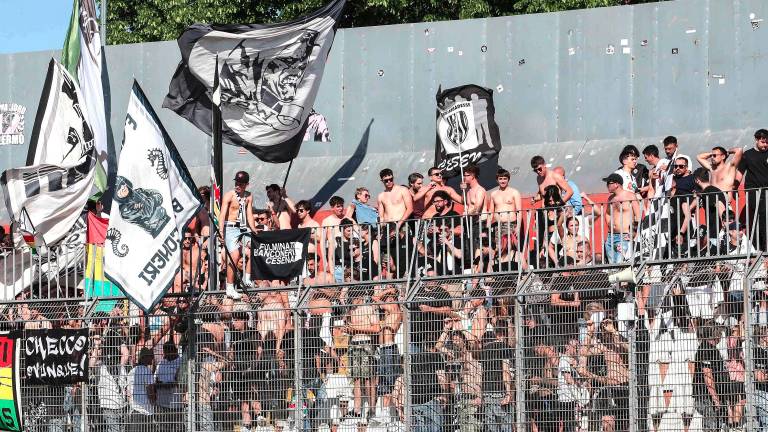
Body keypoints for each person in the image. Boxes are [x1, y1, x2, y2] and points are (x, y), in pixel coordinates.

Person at [219, 171, 257, 299]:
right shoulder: (229, 195)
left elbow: (249, 214)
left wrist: (254, 229)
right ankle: (229, 287)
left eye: (240, 183)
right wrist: (220, 230)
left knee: (254, 247)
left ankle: (247, 278)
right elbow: (222, 214)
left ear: (246, 184)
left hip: (243, 227)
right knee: (234, 256)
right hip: (230, 227)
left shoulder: (249, 196)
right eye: (236, 182)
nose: (237, 185)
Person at [345, 287, 380, 420]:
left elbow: (376, 328)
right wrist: (348, 329)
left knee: (368, 378)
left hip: (366, 344)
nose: (353, 301)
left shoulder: (368, 308)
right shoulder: (351, 310)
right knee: (357, 378)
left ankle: (372, 409)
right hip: (353, 344)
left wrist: (356, 328)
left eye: (354, 298)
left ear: (359, 297)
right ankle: (357, 409)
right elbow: (349, 328)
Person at [737, 129, 768, 251]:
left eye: (767, 142)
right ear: (756, 140)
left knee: (764, 217)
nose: (765, 145)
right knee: (761, 214)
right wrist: (734, 188)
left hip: (767, 191)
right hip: (753, 191)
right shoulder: (747, 155)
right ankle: (761, 247)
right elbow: (740, 173)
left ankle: (759, 245)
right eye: (763, 142)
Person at [602, 173, 640, 263]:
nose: (607, 185)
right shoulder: (611, 198)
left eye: (609, 183)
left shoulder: (630, 196)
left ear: (616, 184)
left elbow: (638, 216)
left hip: (624, 236)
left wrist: (633, 233)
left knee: (621, 263)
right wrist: (609, 224)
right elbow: (607, 213)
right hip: (610, 236)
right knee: (612, 265)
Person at [487, 167, 522, 240]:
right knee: (498, 247)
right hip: (497, 225)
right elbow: (491, 211)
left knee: (509, 248)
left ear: (508, 179)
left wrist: (518, 227)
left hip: (510, 224)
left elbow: (519, 211)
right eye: (500, 179)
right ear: (497, 180)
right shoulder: (493, 194)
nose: (503, 181)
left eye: (505, 178)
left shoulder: (514, 192)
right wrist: (488, 226)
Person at [154, 341, 182, 427]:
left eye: (168, 352)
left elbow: (180, 381)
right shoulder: (161, 363)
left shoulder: (181, 362)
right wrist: (162, 385)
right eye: (165, 352)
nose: (165, 354)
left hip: (176, 404)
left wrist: (171, 384)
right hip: (161, 403)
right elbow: (155, 380)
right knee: (163, 427)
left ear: (174, 351)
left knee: (175, 427)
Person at [128, 348, 155, 432]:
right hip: (145, 411)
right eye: (150, 356)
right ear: (144, 358)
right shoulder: (147, 371)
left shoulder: (132, 371)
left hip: (134, 410)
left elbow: (128, 393)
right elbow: (150, 390)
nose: (152, 358)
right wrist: (154, 403)